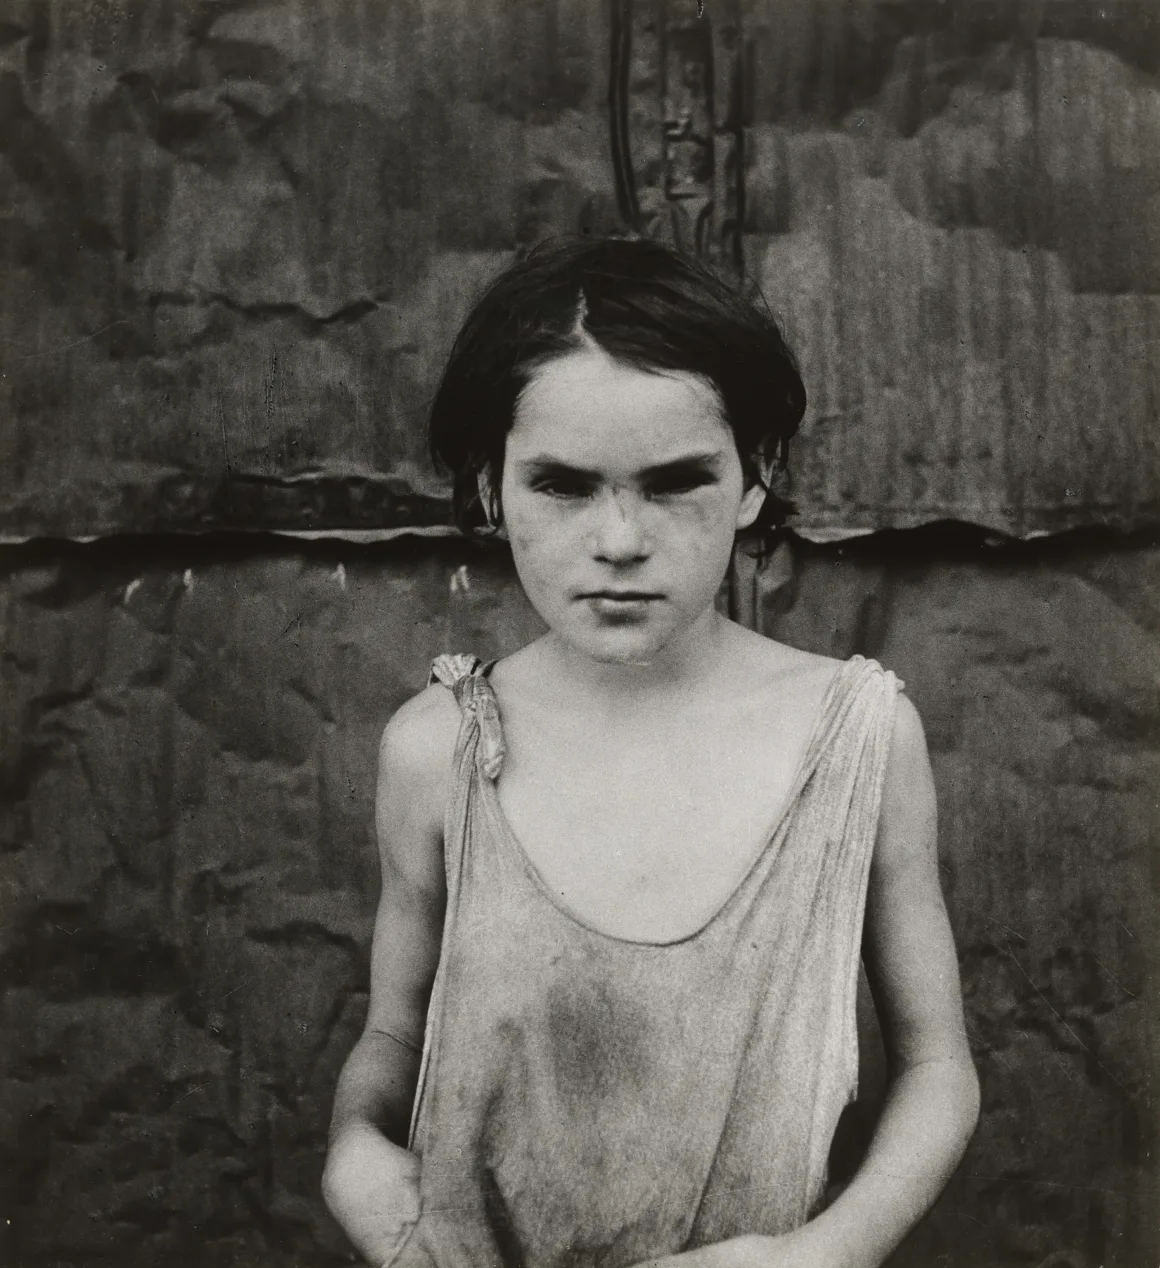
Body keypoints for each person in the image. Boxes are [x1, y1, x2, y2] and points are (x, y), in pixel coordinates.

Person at [322, 236, 980, 1268]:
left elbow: (937, 1061)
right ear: (490, 489)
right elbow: (397, 1037)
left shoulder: (850, 736)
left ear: (753, 478)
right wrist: (351, 1150)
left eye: (674, 482)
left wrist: (824, 1251)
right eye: (562, 485)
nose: (619, 538)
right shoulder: (435, 749)